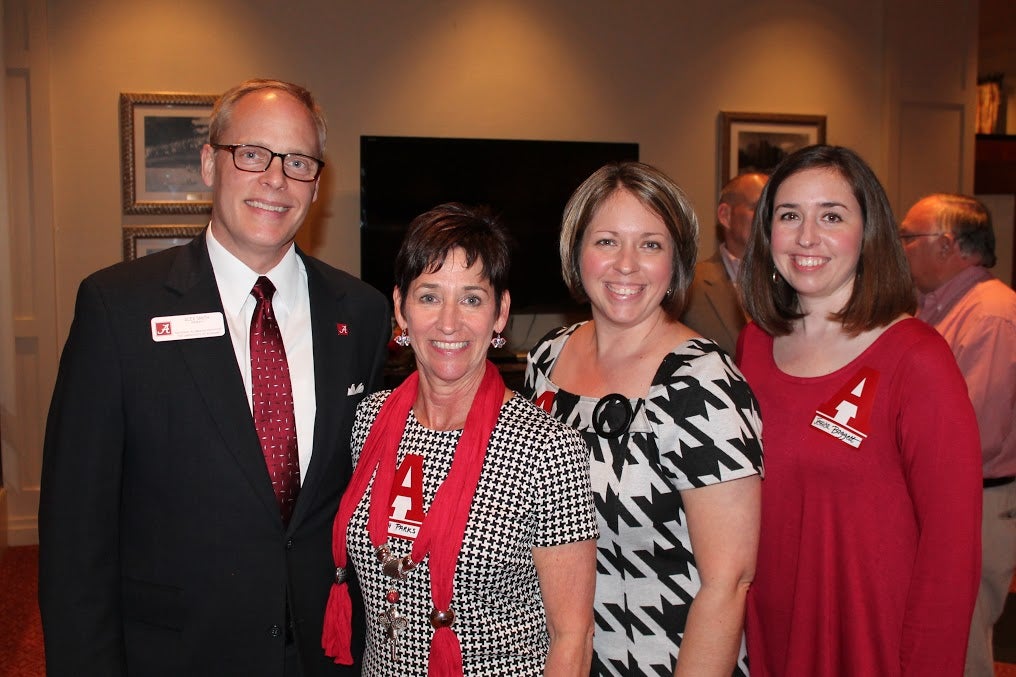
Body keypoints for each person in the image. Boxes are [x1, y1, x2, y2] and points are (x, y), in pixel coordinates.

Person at [38, 79, 391, 677]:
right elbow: (76, 537)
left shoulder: (359, 312)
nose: (275, 179)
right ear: (209, 163)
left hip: (324, 651)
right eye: (252, 154)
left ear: (316, 183)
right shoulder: (118, 309)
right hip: (177, 652)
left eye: (298, 161)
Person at [322, 203, 599, 676]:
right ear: (400, 308)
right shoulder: (369, 421)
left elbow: (572, 637)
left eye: (471, 299)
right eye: (429, 296)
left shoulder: (547, 449)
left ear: (500, 312)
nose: (449, 323)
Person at [737, 145, 982, 676]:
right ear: (766, 232)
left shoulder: (916, 359)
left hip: (872, 644)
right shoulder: (753, 347)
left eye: (831, 215)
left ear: (868, 233)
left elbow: (951, 554)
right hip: (768, 639)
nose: (806, 236)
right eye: (788, 216)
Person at [522, 161, 764, 676]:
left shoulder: (701, 385)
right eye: (607, 241)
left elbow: (729, 583)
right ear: (576, 249)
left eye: (650, 244)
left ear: (675, 261)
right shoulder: (545, 360)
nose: (626, 265)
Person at [899, 193, 1016, 677]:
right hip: (948, 499)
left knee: (961, 647)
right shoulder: (938, 307)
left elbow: (974, 436)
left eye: (909, 237)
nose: (900, 247)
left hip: (976, 502)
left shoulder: (989, 315)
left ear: (947, 245)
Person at [681, 171, 767, 355]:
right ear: (725, 215)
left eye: (775, 210)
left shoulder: (793, 283)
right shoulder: (689, 284)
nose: (768, 218)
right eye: (758, 208)